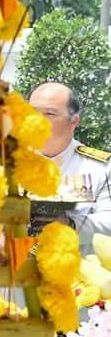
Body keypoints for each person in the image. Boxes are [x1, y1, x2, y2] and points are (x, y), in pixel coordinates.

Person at [28, 82, 111, 250]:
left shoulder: (101, 167)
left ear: (74, 121)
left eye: (49, 113)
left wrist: (70, 224)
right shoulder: (9, 162)